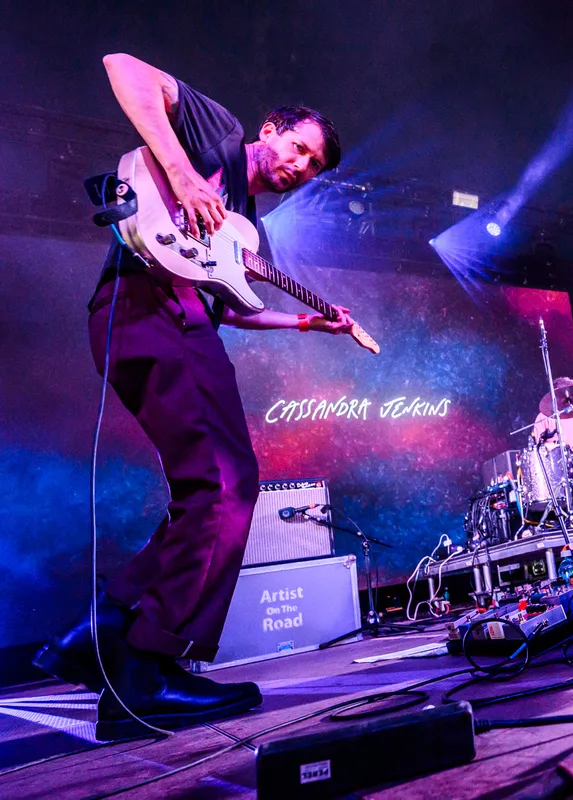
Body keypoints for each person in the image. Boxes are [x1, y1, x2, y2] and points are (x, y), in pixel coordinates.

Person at [34, 53, 358, 740]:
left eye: (312, 167)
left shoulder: (248, 226)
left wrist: (308, 323)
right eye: (298, 148)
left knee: (207, 489)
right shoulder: (219, 135)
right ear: (270, 130)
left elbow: (232, 308)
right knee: (227, 484)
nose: (300, 166)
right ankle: (147, 669)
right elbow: (122, 66)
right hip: (153, 307)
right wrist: (181, 174)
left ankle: (105, 629)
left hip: (161, 321)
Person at [531, 377, 573, 448]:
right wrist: (556, 447)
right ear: (556, 395)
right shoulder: (543, 417)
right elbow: (540, 447)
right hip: (554, 455)